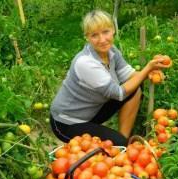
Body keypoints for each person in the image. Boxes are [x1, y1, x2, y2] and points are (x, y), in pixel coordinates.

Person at [50, 9, 170, 146]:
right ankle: (120, 145)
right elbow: (119, 94)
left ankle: (122, 141)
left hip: (91, 111)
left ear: (113, 30)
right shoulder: (85, 63)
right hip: (67, 122)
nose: (102, 40)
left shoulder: (111, 51)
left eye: (105, 32)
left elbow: (130, 75)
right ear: (87, 37)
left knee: (136, 85)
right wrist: (147, 68)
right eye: (95, 35)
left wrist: (152, 73)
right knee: (111, 146)